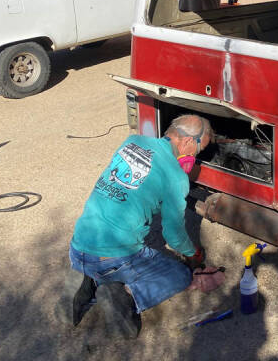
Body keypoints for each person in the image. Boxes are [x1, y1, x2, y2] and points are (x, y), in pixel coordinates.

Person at [68, 115, 213, 338]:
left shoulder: (132, 142)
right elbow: (173, 236)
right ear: (186, 142)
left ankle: (91, 280)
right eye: (198, 150)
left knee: (115, 244)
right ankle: (127, 296)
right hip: (112, 257)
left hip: (79, 245)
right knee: (180, 275)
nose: (195, 156)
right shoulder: (176, 178)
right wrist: (193, 254)